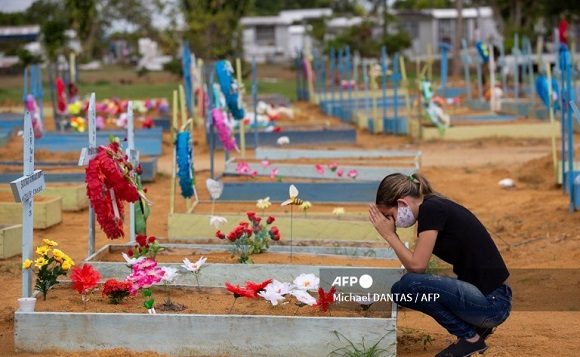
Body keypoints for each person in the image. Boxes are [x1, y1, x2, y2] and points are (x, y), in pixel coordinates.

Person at [368, 173, 511, 357]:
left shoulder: (431, 209)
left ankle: (470, 338)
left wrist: (389, 235)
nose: (392, 222)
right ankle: (475, 330)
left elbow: (418, 266)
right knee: (408, 286)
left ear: (402, 203)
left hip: (492, 305)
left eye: (390, 216)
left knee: (406, 287)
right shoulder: (432, 206)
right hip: (489, 299)